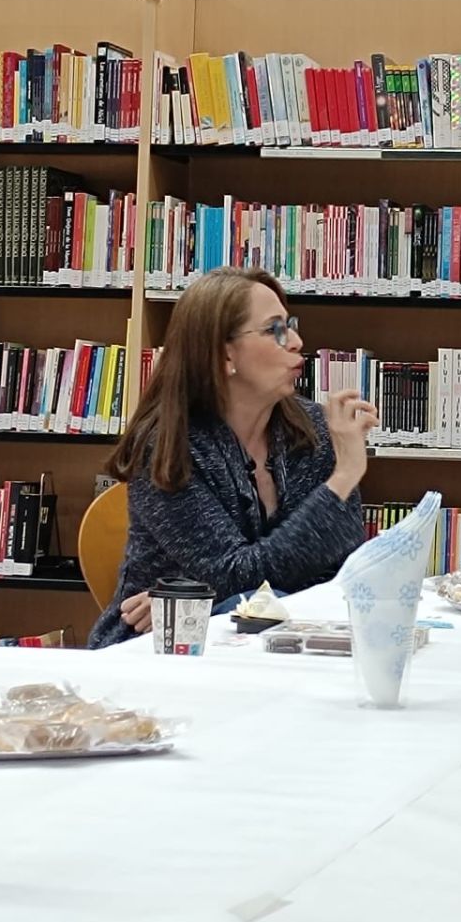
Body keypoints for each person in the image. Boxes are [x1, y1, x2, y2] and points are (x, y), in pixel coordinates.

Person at [89, 266, 371, 647]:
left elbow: (341, 567)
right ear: (224, 353)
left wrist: (200, 597)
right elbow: (236, 577)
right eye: (275, 330)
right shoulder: (169, 446)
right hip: (164, 647)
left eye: (290, 325)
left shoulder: (315, 429)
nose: (296, 341)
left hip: (279, 637)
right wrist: (344, 477)